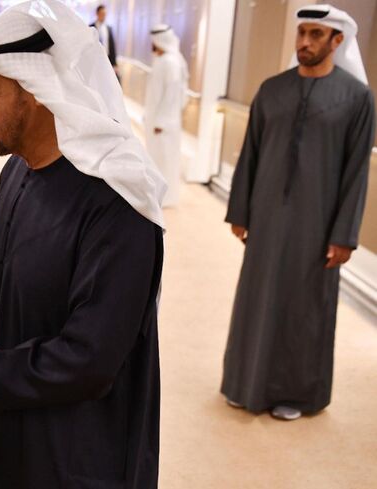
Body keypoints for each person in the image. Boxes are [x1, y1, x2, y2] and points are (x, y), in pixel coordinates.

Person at [0, 1, 166, 487]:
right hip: (10, 425)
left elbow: (90, 358)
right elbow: (9, 291)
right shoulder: (16, 172)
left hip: (78, 453)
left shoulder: (116, 198)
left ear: (39, 90)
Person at [222, 4, 373, 422]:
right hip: (267, 219)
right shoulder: (272, 89)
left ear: (336, 40)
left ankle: (297, 393)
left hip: (318, 223)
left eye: (315, 34)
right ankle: (244, 383)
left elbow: (356, 172)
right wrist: (241, 211)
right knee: (257, 297)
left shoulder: (357, 98)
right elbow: (250, 155)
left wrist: (343, 234)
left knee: (305, 307)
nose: (304, 42)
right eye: (301, 32)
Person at [143, 24, 189, 208]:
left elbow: (171, 95)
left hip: (163, 124)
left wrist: (161, 121)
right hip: (159, 121)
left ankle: (165, 198)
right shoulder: (165, 60)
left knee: (164, 159)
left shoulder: (169, 62)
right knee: (158, 159)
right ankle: (159, 195)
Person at [90, 5, 118, 75]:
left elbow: (112, 47)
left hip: (107, 59)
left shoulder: (109, 28)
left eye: (105, 14)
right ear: (97, 14)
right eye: (102, 14)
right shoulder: (91, 27)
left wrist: (114, 63)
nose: (104, 16)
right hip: (95, 60)